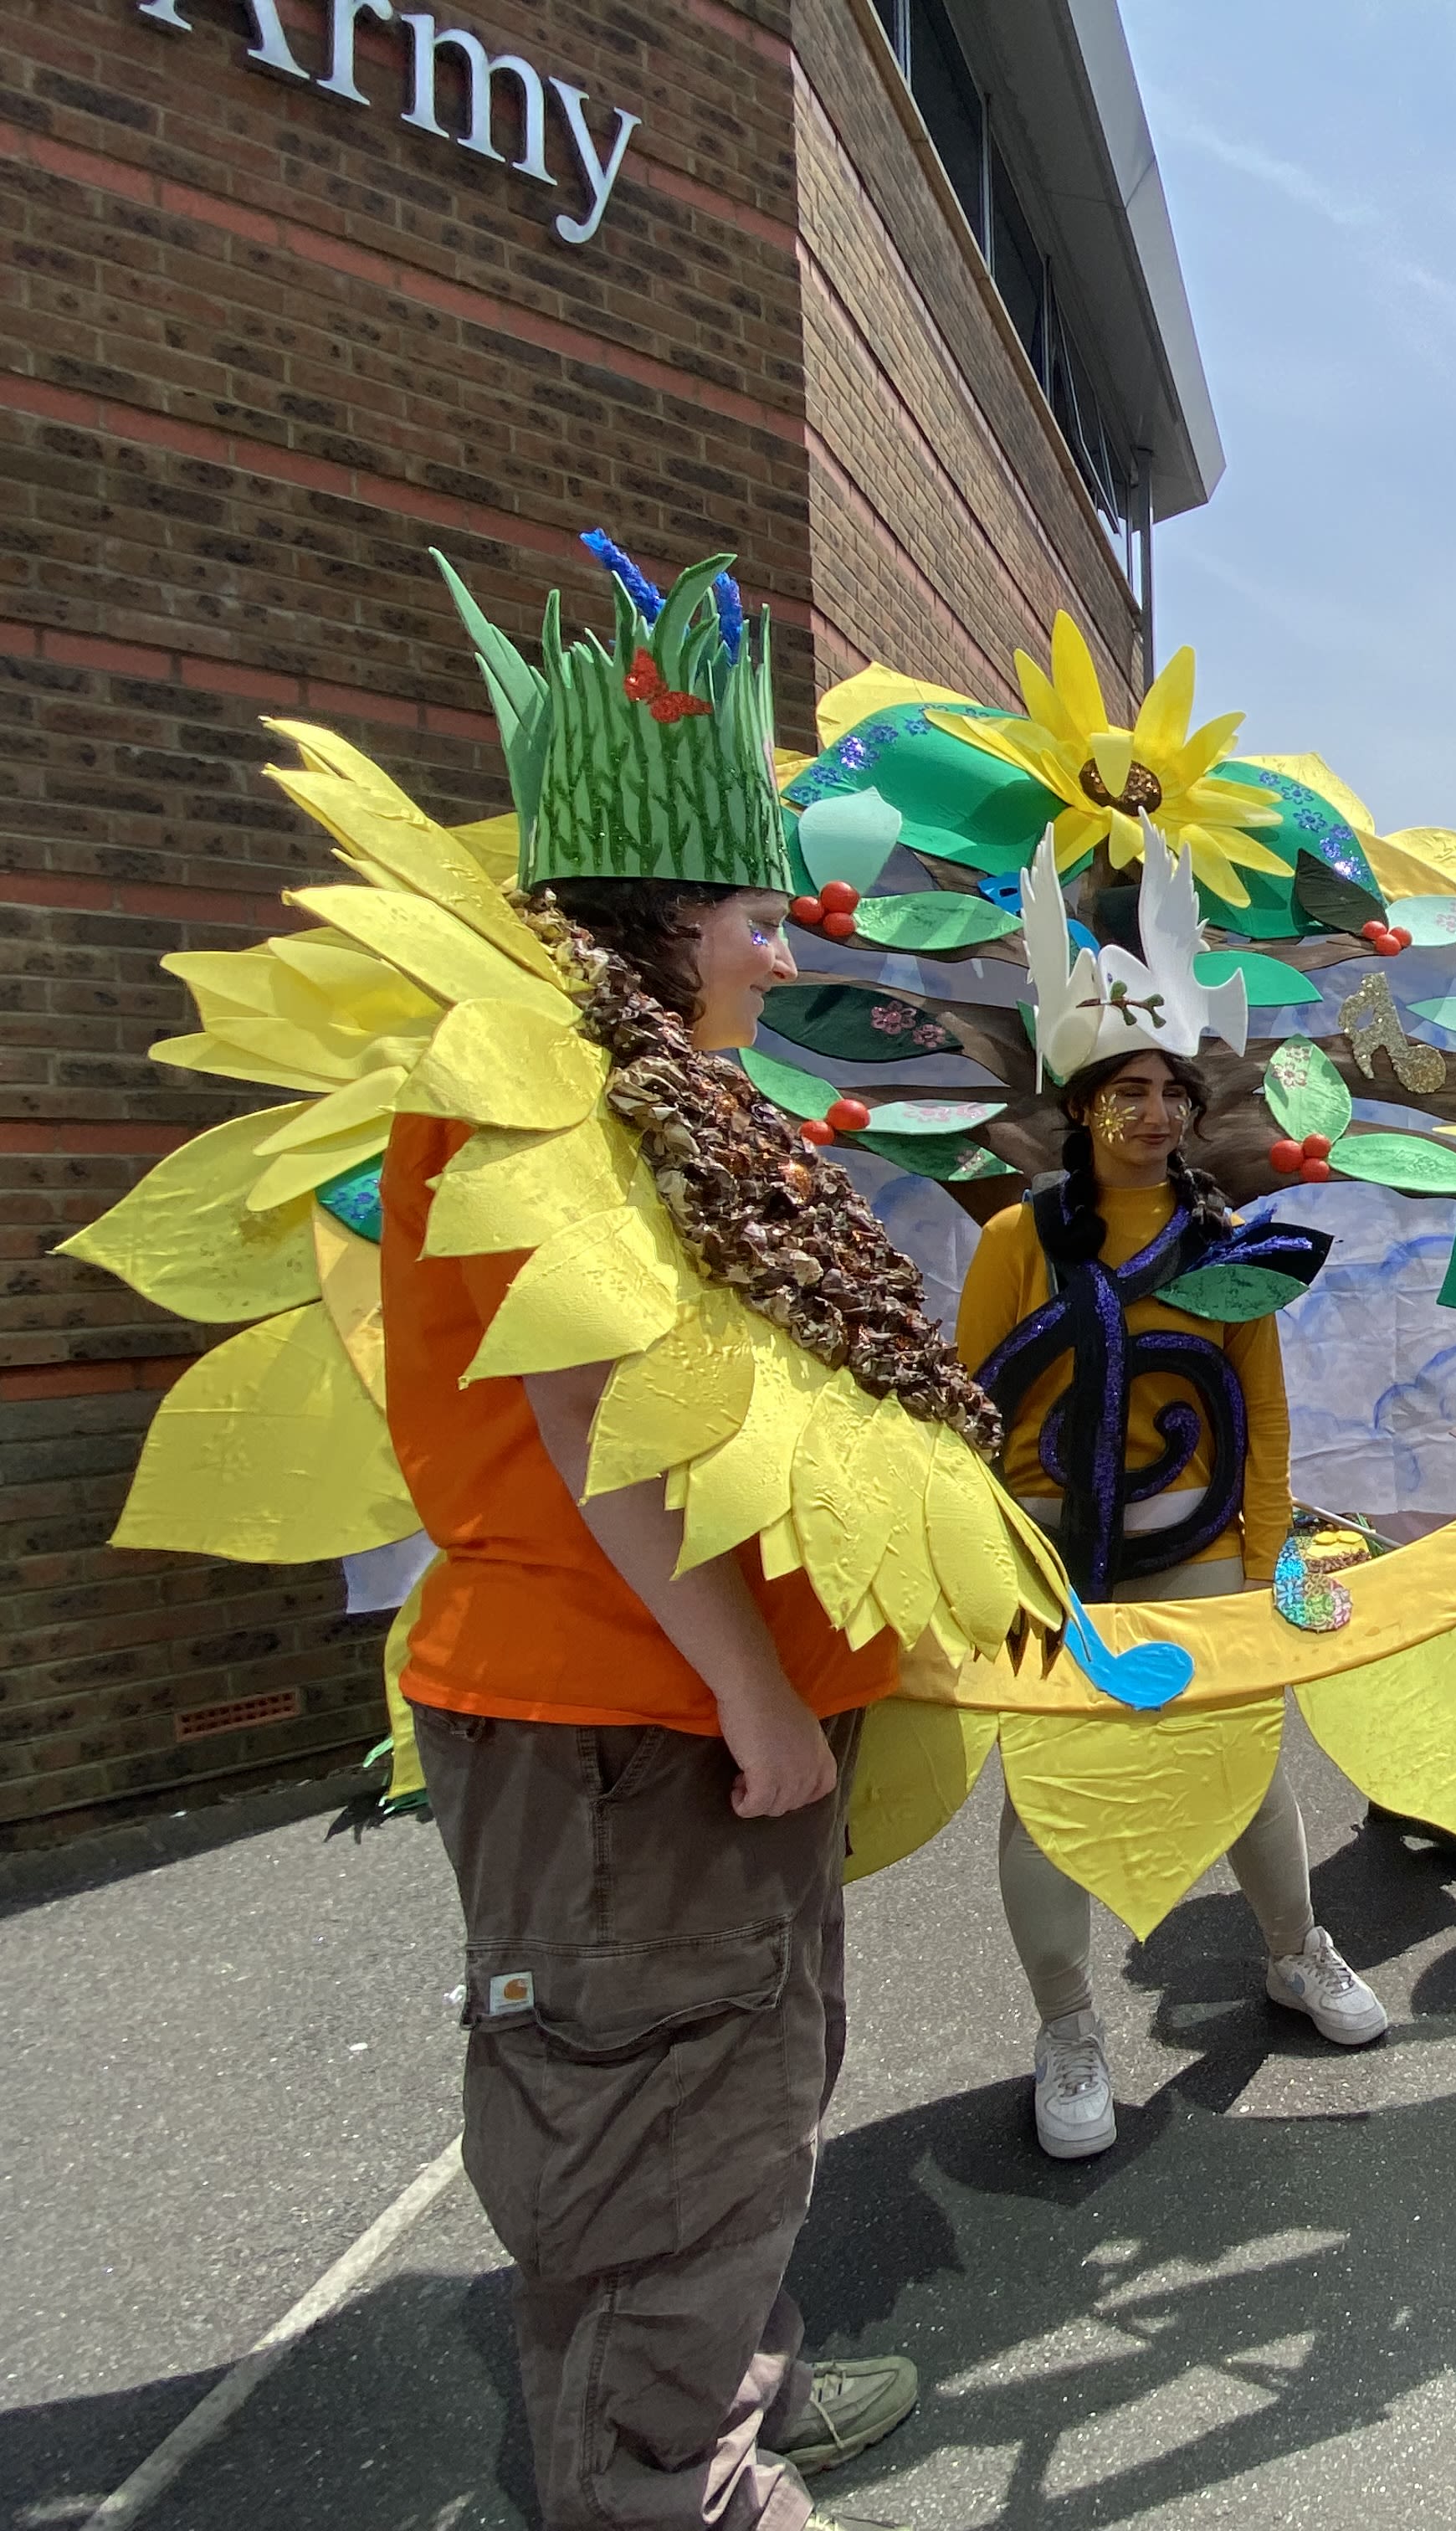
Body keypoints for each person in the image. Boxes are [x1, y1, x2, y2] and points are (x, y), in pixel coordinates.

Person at [395, 542, 949, 2527]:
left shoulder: (647, 1093)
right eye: (752, 915)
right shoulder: (546, 1097)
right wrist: (754, 1695)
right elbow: (589, 1409)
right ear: (658, 925)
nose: (785, 954)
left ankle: (728, 2380)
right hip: (641, 1728)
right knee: (651, 2133)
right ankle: (665, 2490)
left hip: (689, 1725)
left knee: (736, 2096)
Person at [959, 846, 1388, 2165]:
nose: (1152, 1111)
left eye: (1171, 1092)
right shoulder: (1016, 1243)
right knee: (1051, 1795)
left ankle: (1292, 1951)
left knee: (1242, 1763)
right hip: (1053, 1564)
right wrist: (988, 1564)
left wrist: (1263, 1565)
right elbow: (968, 1412)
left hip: (1200, 1553)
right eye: (1127, 1090)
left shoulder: (1224, 1253)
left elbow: (1262, 1422)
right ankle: (1069, 2027)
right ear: (1082, 1105)